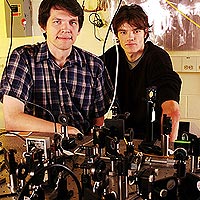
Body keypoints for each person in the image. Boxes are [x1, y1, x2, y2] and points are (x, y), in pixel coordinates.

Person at [0, 0, 113, 135]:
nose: (66, 29)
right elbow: (12, 119)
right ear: (43, 26)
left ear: (79, 29)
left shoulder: (95, 65)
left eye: (72, 22)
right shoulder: (23, 58)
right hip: (36, 148)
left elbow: (98, 121)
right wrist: (65, 130)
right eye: (57, 22)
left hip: (81, 146)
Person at [101, 4, 182, 142]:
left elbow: (172, 109)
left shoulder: (157, 58)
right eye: (123, 32)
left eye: (136, 31)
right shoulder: (111, 57)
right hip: (121, 137)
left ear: (145, 32)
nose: (130, 37)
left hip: (152, 137)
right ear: (117, 35)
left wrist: (166, 150)